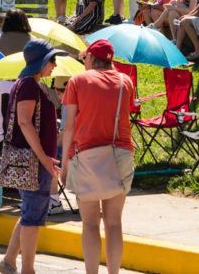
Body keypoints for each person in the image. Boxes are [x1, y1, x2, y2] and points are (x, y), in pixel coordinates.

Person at [62, 39, 135, 274]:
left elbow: (69, 126)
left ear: (91, 59)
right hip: (121, 154)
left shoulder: (77, 81)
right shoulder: (126, 81)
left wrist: (64, 164)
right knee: (114, 223)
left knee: (90, 223)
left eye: (85, 58)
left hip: (87, 156)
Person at [0, 40, 60, 274]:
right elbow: (24, 121)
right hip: (34, 162)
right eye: (52, 60)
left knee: (29, 212)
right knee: (33, 218)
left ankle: (9, 261)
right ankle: (28, 270)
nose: (54, 65)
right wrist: (44, 158)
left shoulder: (27, 84)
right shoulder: (29, 86)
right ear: (42, 62)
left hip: (32, 161)